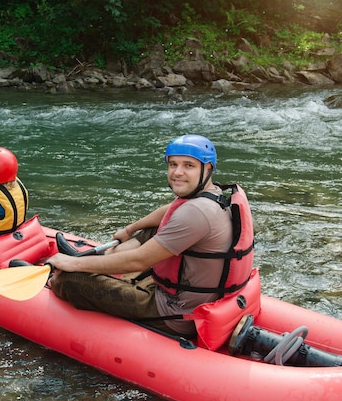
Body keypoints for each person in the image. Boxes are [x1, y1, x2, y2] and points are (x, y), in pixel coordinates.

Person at [46, 134, 254, 336]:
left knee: (70, 281)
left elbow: (139, 260)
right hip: (186, 292)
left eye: (188, 166)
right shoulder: (213, 194)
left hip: (174, 312)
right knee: (158, 228)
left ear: (207, 168)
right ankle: (99, 258)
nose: (177, 172)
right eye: (173, 164)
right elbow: (169, 211)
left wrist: (73, 265)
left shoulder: (196, 213)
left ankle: (60, 276)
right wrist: (130, 229)